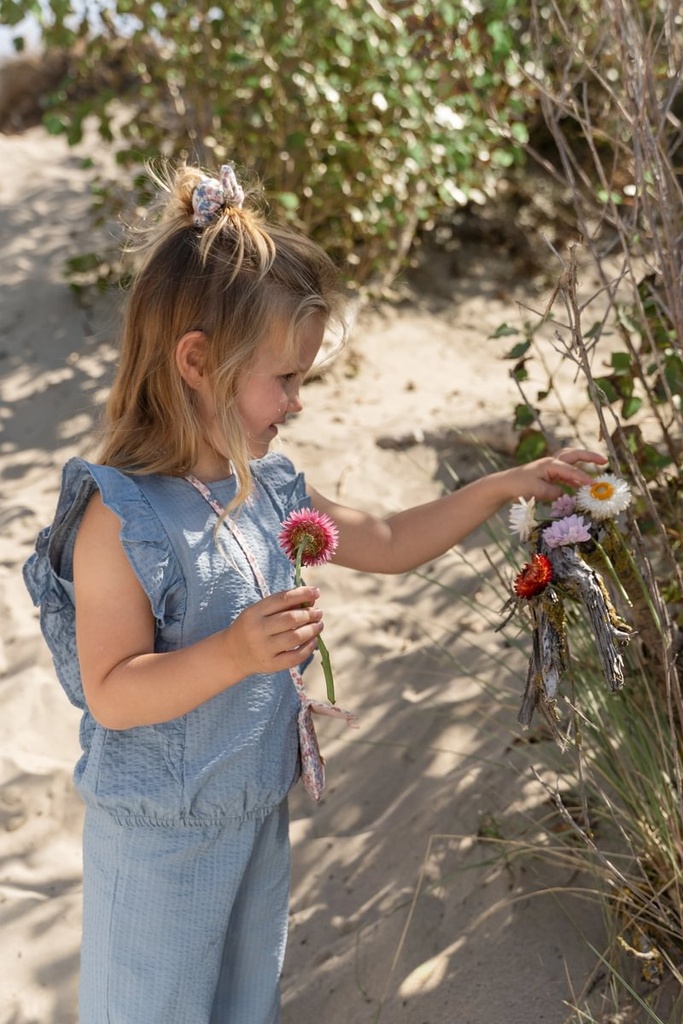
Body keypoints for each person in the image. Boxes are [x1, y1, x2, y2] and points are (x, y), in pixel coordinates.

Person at [23, 161, 607, 1024]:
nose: (295, 404)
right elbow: (111, 692)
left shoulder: (269, 485)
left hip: (254, 819)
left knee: (242, 1006)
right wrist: (230, 653)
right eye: (284, 379)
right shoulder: (124, 516)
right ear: (197, 361)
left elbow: (386, 539)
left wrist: (502, 486)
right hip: (159, 845)